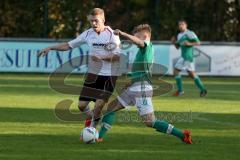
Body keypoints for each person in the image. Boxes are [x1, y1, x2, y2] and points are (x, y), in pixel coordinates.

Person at [97, 24, 193, 144]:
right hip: (134, 87)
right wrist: (130, 83)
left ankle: (183, 134)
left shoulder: (147, 46)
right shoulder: (142, 52)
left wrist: (124, 34)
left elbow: (140, 42)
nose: (134, 40)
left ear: (145, 36)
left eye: (136, 37)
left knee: (150, 122)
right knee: (111, 108)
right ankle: (99, 137)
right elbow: (141, 71)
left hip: (142, 89)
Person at [38, 8, 121, 128]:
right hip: (93, 74)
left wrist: (101, 58)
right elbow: (68, 45)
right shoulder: (88, 33)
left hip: (109, 76)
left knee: (98, 106)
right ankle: (93, 118)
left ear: (103, 20)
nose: (93, 24)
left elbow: (117, 57)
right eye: (91, 21)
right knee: (81, 106)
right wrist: (51, 47)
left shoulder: (112, 35)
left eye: (96, 21)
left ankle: (92, 130)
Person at [171, 20, 207, 97]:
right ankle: (181, 91)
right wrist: (174, 42)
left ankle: (202, 89)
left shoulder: (190, 33)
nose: (181, 26)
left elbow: (198, 42)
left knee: (190, 73)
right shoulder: (179, 35)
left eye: (182, 24)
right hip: (183, 57)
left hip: (188, 57)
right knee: (177, 71)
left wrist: (189, 43)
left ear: (186, 25)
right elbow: (177, 47)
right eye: (179, 24)